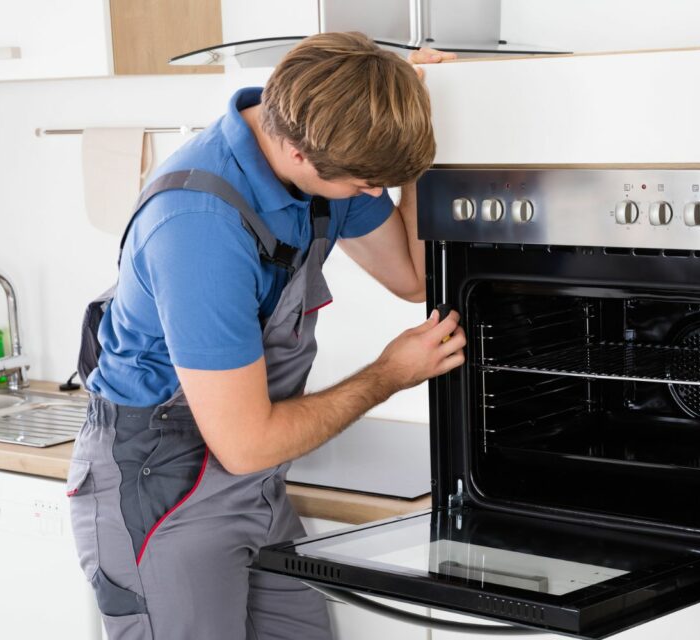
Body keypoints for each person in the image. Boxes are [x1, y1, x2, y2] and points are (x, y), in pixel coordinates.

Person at [67, 32, 464, 640]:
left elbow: (411, 277)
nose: (368, 194)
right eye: (364, 184)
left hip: (252, 477)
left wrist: (413, 133)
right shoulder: (199, 225)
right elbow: (246, 442)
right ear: (302, 156)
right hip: (161, 490)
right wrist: (390, 374)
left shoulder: (313, 155)